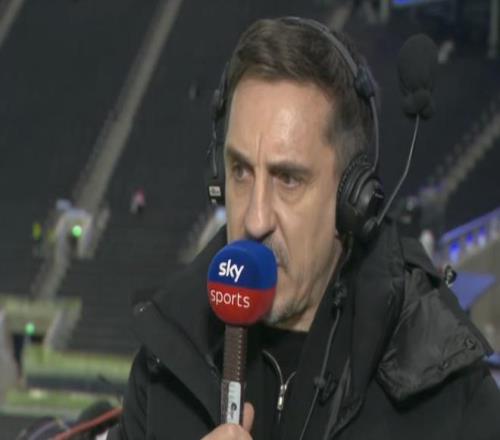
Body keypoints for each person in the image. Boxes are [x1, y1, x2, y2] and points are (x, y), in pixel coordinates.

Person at [108, 17, 500, 440]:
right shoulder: (167, 354)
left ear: (354, 200)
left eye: (288, 179)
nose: (255, 220)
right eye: (240, 171)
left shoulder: (444, 386)